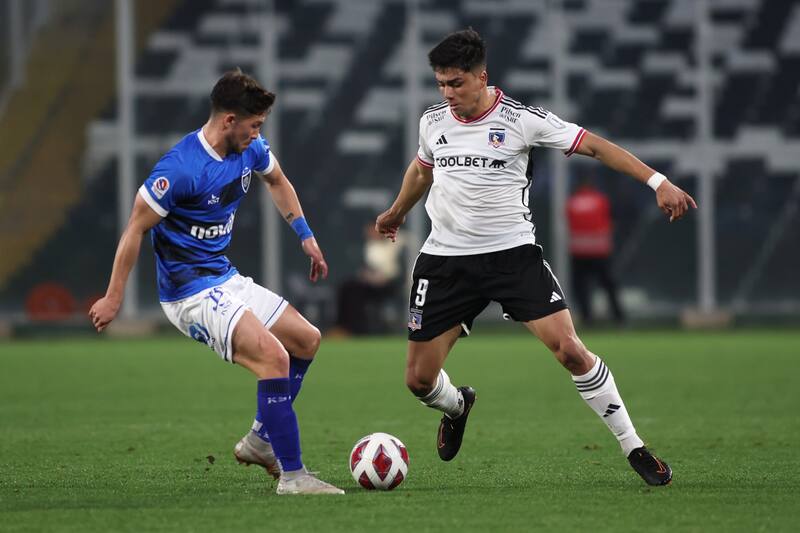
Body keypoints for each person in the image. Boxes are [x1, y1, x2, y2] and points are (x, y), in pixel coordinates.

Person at [375, 29, 696, 486]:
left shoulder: (521, 119)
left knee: (570, 350)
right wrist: (395, 212)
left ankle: (635, 447)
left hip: (513, 257)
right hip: (445, 261)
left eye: (457, 83)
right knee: (419, 381)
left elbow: (596, 146)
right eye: (441, 83)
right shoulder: (433, 121)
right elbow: (421, 169)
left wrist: (658, 182)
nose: (448, 94)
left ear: (482, 77)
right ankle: (459, 404)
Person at [89, 70, 344, 495]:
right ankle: (294, 478)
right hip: (189, 293)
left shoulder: (250, 149)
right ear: (229, 120)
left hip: (224, 277)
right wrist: (114, 297)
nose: (258, 134)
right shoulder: (181, 168)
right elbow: (135, 228)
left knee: (306, 339)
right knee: (274, 358)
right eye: (254, 125)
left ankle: (261, 441)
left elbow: (278, 181)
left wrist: (307, 237)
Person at [566, 175, 626, 325]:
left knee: (581, 287)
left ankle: (587, 318)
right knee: (609, 285)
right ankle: (618, 317)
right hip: (600, 250)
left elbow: (569, 223)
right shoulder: (601, 200)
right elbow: (611, 221)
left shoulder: (572, 202)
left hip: (579, 251)